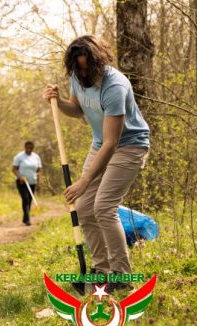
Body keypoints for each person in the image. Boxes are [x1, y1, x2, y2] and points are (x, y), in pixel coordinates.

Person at [43, 35, 150, 292]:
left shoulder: (115, 86)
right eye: (77, 66)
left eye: (85, 66)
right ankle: (100, 270)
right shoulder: (77, 77)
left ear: (98, 62)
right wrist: (57, 102)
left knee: (103, 206)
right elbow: (77, 109)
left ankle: (121, 275)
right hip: (100, 144)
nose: (82, 72)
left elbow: (112, 142)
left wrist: (83, 180)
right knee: (83, 207)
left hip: (129, 145)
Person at [12, 141, 41, 226]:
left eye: (31, 148)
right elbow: (14, 169)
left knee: (30, 199)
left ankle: (25, 218)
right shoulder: (19, 157)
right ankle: (27, 219)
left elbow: (38, 170)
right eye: (27, 148)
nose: (29, 149)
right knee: (25, 199)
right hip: (22, 182)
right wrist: (20, 177)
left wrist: (39, 183)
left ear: (33, 148)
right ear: (25, 147)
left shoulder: (36, 157)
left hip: (33, 182)